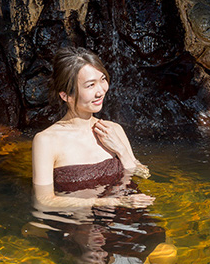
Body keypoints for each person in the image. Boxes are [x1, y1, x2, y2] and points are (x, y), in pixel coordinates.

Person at [32, 46, 154, 212]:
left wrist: (121, 150)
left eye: (103, 79)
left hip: (130, 214)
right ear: (66, 95)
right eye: (90, 85)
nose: (101, 91)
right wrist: (111, 202)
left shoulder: (113, 130)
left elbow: (144, 175)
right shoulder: (46, 141)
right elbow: (44, 200)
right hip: (81, 221)